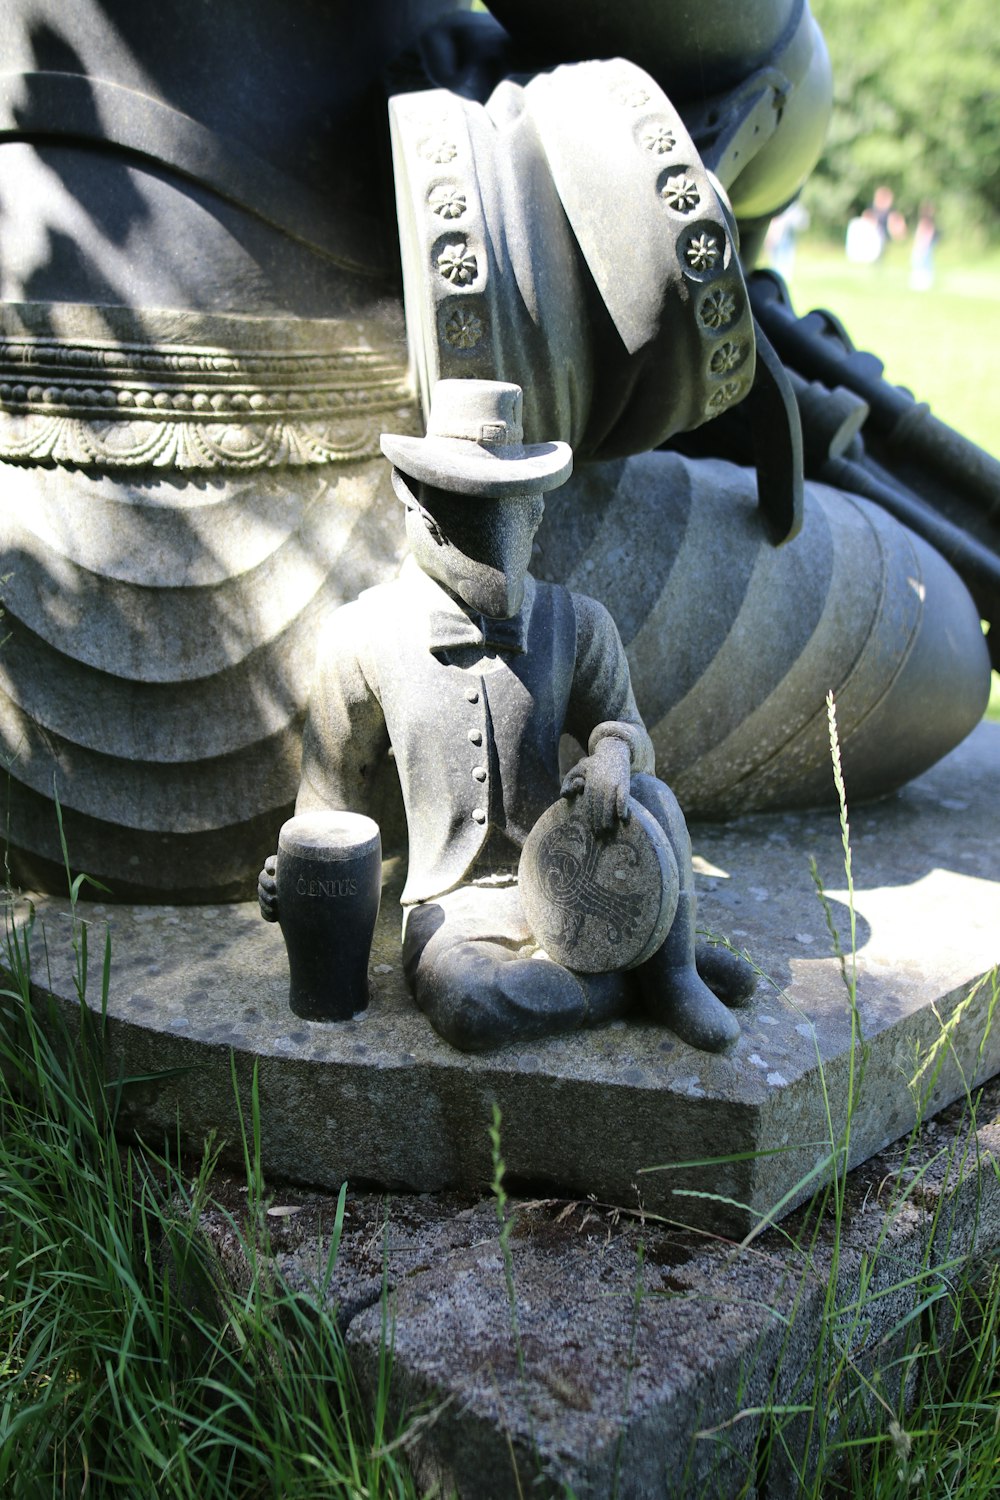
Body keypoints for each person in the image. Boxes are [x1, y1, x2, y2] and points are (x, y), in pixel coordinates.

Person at [259, 380, 756, 1052]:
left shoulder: (576, 622)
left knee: (652, 795)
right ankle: (639, 974)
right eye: (471, 509)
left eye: (516, 506)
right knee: (470, 1008)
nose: (498, 536)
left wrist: (611, 754)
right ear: (420, 505)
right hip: (452, 908)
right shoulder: (360, 636)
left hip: (575, 874)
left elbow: (632, 736)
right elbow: (328, 801)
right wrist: (295, 870)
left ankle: (671, 976)